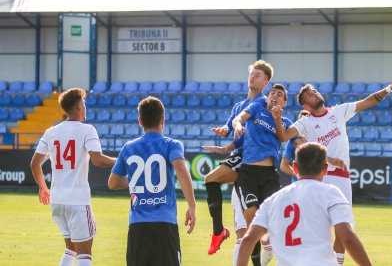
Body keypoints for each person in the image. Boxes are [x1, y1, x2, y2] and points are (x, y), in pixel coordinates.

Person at [272, 80, 392, 265]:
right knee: (320, 226)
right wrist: (277, 119)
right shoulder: (305, 122)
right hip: (320, 177)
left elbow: (368, 101)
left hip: (342, 177)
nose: (316, 94)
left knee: (344, 227)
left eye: (315, 91)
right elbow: (283, 136)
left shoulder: (338, 111)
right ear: (305, 106)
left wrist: (390, 88)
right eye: (310, 95)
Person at [236, 142, 372, 266]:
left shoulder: (273, 200)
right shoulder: (331, 193)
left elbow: (248, 239)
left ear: (294, 167)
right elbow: (347, 237)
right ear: (325, 168)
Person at [30, 88, 116, 266]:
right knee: (85, 252)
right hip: (77, 200)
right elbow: (98, 160)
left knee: (71, 248)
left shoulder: (51, 132)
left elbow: (34, 163)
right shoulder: (87, 130)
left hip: (58, 200)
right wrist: (122, 160)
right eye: (84, 104)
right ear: (78, 107)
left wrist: (43, 187)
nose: (85, 107)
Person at [108, 96, 196, 266]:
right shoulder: (172, 144)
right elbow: (180, 168)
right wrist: (191, 205)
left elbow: (113, 183)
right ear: (162, 119)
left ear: (140, 121)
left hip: (137, 227)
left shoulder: (128, 147)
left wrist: (134, 179)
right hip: (165, 224)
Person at [204, 60, 274, 264]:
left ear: (266, 82)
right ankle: (221, 232)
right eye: (252, 73)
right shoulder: (238, 105)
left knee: (212, 179)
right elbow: (229, 129)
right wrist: (223, 131)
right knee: (248, 223)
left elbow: (254, 130)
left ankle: (219, 231)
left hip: (251, 159)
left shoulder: (262, 103)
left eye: (258, 75)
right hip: (242, 159)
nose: (253, 77)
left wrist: (235, 134)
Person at [232, 84, 294, 264]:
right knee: (251, 212)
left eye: (279, 94)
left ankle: (267, 241)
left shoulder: (285, 122)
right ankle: (261, 250)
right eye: (272, 92)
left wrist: (277, 117)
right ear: (267, 97)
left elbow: (286, 138)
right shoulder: (257, 108)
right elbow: (239, 118)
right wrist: (237, 125)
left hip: (269, 174)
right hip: (248, 172)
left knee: (271, 214)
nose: (275, 95)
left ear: (284, 102)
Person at [279, 110, 309, 183]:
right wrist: (299, 174)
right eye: (301, 123)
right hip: (298, 183)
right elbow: (283, 166)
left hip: (317, 182)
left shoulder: (319, 139)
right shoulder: (292, 142)